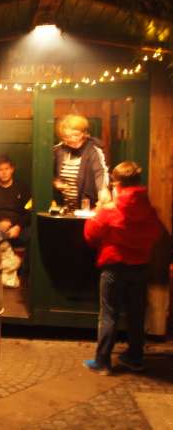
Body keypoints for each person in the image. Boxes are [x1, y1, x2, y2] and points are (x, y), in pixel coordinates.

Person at [82, 161, 164, 375]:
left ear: (116, 183)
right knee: (136, 314)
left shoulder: (111, 209)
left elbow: (90, 235)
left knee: (109, 314)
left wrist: (100, 207)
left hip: (114, 266)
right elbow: (156, 233)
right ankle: (136, 358)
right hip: (140, 266)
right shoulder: (148, 208)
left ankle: (102, 362)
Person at [53, 114, 109, 210]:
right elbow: (46, 171)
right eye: (67, 136)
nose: (72, 139)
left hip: (86, 207)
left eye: (76, 135)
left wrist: (102, 189)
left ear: (84, 133)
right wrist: (55, 182)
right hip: (63, 207)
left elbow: (100, 171)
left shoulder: (93, 150)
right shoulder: (58, 150)